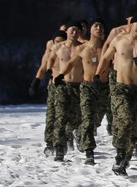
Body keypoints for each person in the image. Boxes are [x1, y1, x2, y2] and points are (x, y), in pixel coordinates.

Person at [96, 9, 137, 176]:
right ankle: (119, 155)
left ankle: (126, 157)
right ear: (132, 24)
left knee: (136, 126)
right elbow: (105, 58)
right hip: (120, 87)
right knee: (124, 119)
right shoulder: (119, 40)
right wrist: (98, 74)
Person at [46, 21, 85, 161]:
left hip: (79, 86)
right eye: (72, 30)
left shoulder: (84, 48)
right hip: (62, 85)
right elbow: (50, 59)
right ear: (67, 31)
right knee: (60, 117)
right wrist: (50, 71)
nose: (74, 33)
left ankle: (70, 133)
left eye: (77, 31)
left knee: (75, 119)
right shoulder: (58, 47)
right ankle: (59, 148)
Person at [73, 19, 109, 165]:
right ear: (90, 30)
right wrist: (60, 76)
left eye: (101, 25)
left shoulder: (107, 48)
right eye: (95, 25)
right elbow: (71, 64)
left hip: (104, 87)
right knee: (88, 118)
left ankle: (80, 132)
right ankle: (89, 152)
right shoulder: (82, 48)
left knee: (96, 120)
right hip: (88, 87)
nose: (98, 28)